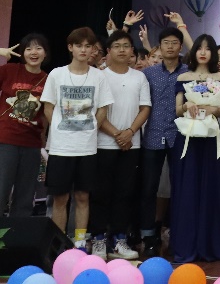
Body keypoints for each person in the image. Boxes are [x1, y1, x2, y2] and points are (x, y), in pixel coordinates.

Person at [42, 27, 113, 251]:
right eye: (79, 45)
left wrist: (91, 128)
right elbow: (48, 107)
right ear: (70, 48)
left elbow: (103, 108)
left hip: (87, 148)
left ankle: (80, 242)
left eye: (88, 46)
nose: (84, 50)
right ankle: (58, 243)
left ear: (93, 50)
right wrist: (61, 129)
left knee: (83, 196)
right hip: (61, 147)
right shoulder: (56, 74)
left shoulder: (99, 76)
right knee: (60, 198)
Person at [170, 33, 220, 262]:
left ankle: (211, 244)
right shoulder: (183, 77)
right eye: (199, 48)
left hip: (211, 138)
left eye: (208, 48)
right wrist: (188, 105)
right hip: (188, 137)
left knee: (211, 188)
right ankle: (185, 244)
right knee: (187, 188)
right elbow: (177, 110)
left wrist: (209, 107)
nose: (203, 52)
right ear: (194, 51)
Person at [0, 33, 50, 218]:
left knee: (25, 199)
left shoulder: (49, 79)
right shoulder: (10, 70)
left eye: (38, 48)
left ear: (45, 53)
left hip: (31, 145)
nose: (33, 52)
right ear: (22, 53)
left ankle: (17, 235)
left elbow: (47, 113)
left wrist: (44, 141)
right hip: (5, 142)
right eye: (28, 48)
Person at [92, 30, 151, 260]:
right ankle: (98, 240)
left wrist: (130, 133)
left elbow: (145, 108)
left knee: (124, 194)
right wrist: (118, 134)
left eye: (126, 46)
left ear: (132, 51)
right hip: (103, 143)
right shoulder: (99, 76)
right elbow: (95, 111)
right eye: (117, 46)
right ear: (108, 51)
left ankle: (119, 240)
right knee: (101, 193)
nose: (122, 50)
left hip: (131, 145)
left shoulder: (139, 78)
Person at [139, 20, 191, 255]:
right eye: (166, 43)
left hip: (180, 136)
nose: (170, 47)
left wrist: (183, 27)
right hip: (152, 135)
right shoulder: (148, 74)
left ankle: (179, 233)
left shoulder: (188, 73)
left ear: (180, 46)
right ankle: (149, 235)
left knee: (180, 187)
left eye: (174, 43)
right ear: (159, 47)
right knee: (149, 188)